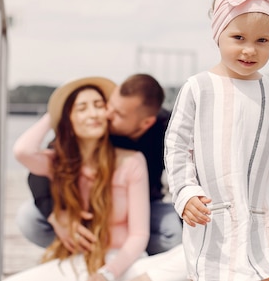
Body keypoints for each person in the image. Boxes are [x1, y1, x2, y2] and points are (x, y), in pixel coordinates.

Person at [164, 0, 269, 281]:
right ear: (219, 35)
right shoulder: (198, 87)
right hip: (211, 216)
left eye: (262, 40)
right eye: (239, 37)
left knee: (268, 273)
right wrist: (186, 192)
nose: (249, 49)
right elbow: (177, 148)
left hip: (260, 216)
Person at [16, 74, 182, 256]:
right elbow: (40, 169)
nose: (107, 114)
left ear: (146, 123)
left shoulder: (167, 131)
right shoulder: (92, 125)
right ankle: (79, 248)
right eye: (109, 104)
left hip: (139, 208)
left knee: (177, 228)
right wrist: (58, 215)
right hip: (87, 210)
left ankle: (128, 254)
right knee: (30, 218)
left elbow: (190, 169)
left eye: (118, 113)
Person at [7, 76, 150, 280]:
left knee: (180, 259)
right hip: (78, 260)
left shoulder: (132, 161)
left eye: (99, 106)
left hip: (123, 263)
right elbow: (22, 151)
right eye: (81, 109)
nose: (93, 114)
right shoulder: (58, 162)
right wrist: (54, 113)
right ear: (68, 120)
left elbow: (139, 235)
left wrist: (108, 273)